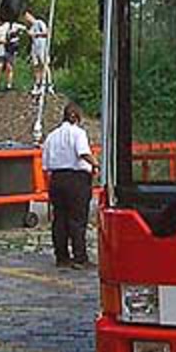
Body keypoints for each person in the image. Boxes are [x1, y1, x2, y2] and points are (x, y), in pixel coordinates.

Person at [41, 102, 99, 270]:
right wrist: (96, 164)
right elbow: (83, 152)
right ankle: (79, 257)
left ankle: (61, 257)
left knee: (59, 219)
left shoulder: (52, 136)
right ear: (76, 117)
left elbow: (45, 164)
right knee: (77, 219)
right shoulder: (78, 133)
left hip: (57, 179)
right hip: (76, 179)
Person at [0, 15, 24, 92]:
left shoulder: (12, 26)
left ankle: (9, 85)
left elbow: (22, 28)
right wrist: (1, 41)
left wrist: (16, 34)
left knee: (9, 67)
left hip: (10, 50)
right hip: (0, 50)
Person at [24, 10, 50, 96]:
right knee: (36, 66)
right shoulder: (31, 26)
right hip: (34, 47)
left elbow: (46, 33)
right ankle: (37, 84)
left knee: (43, 64)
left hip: (42, 46)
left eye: (27, 16)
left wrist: (35, 34)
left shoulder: (39, 22)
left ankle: (47, 84)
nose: (26, 19)